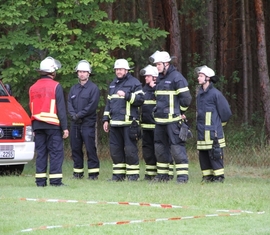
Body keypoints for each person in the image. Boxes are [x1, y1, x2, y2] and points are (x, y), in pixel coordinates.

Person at [151, 51, 192, 183]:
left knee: (176, 147)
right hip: (160, 121)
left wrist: (180, 112)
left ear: (166, 64)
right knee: (160, 148)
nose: (157, 67)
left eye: (158, 64)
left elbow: (186, 99)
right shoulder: (159, 79)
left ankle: (182, 177)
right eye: (156, 64)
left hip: (173, 121)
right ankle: (163, 176)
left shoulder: (177, 78)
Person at [29, 56, 69, 187]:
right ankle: (55, 181)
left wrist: (33, 126)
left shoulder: (32, 87)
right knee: (56, 153)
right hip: (53, 125)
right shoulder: (56, 86)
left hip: (37, 125)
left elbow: (31, 107)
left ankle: (40, 181)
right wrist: (65, 128)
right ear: (52, 72)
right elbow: (61, 109)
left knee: (41, 153)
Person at [103, 59, 145, 181]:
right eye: (116, 69)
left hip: (129, 123)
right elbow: (109, 103)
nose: (118, 72)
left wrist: (127, 95)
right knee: (115, 151)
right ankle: (118, 176)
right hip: (115, 124)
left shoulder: (134, 83)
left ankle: (133, 176)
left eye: (120, 69)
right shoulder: (113, 84)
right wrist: (105, 119)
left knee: (130, 150)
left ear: (126, 70)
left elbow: (140, 100)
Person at [195, 65, 232, 183]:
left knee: (215, 155)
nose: (198, 78)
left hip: (214, 133)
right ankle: (207, 176)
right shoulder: (200, 94)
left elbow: (226, 113)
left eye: (201, 76)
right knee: (204, 156)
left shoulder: (216, 94)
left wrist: (219, 126)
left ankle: (218, 177)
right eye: (199, 76)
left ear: (208, 78)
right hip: (201, 133)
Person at [67, 60, 100, 180]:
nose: (82, 74)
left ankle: (93, 174)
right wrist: (73, 114)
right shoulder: (73, 89)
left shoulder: (93, 88)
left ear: (88, 74)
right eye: (80, 72)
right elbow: (69, 103)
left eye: (84, 72)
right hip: (75, 124)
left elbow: (91, 106)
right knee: (75, 148)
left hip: (88, 123)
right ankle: (77, 173)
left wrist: (79, 115)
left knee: (90, 148)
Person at [140, 65, 158, 180]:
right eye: (145, 76)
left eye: (148, 76)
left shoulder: (160, 89)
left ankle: (164, 174)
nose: (146, 78)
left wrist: (155, 89)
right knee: (148, 151)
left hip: (158, 127)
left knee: (160, 150)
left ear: (154, 77)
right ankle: (150, 174)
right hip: (145, 126)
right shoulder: (143, 90)